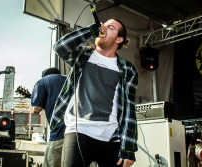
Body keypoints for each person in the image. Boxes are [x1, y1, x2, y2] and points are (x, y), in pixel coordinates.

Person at [50, 19, 138, 167]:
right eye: (103, 25)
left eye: (110, 27)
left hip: (111, 137)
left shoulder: (127, 69)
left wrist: (129, 148)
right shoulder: (82, 55)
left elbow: (129, 109)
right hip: (79, 131)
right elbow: (61, 47)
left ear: (119, 39)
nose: (103, 28)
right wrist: (91, 29)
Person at [31, 67, 67, 167]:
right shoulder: (70, 79)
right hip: (83, 133)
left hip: (60, 132)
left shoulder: (42, 82)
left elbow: (36, 110)